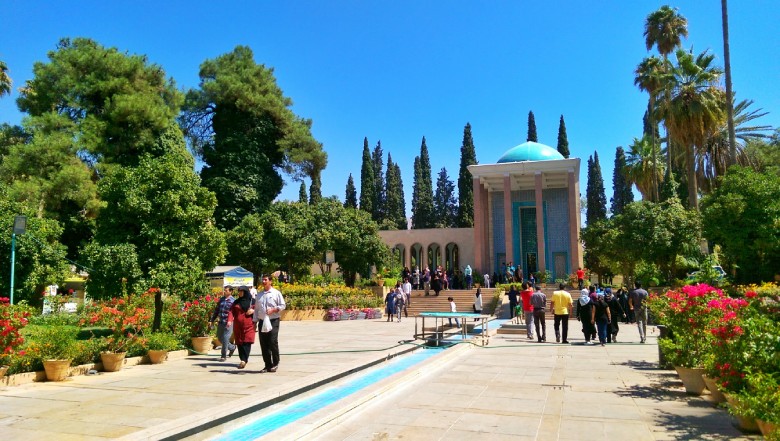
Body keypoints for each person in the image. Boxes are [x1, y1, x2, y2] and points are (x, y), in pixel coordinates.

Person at [254, 275, 286, 373]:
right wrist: (254, 322)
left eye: (265, 280)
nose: (263, 281)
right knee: (264, 343)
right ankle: (267, 365)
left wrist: (274, 309)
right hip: (262, 321)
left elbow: (283, 305)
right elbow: (256, 310)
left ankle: (276, 363)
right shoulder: (259, 295)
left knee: (272, 341)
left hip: (273, 320)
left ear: (270, 281)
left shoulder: (276, 293)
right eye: (262, 280)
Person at [209, 285, 237, 362]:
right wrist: (212, 320)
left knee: (225, 338)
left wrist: (232, 320)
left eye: (226, 290)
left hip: (229, 323)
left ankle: (223, 356)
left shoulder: (233, 301)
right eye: (224, 290)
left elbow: (235, 312)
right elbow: (216, 310)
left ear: (231, 291)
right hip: (221, 322)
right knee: (220, 338)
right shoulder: (221, 300)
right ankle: (232, 347)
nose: (224, 291)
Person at [230, 286, 255, 369]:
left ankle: (244, 359)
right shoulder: (236, 302)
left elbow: (259, 310)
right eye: (239, 291)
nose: (240, 293)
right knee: (239, 343)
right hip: (238, 326)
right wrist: (229, 320)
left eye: (241, 291)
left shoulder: (252, 301)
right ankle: (242, 359)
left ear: (245, 292)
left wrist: (253, 311)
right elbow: (231, 312)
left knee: (247, 342)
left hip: (249, 325)